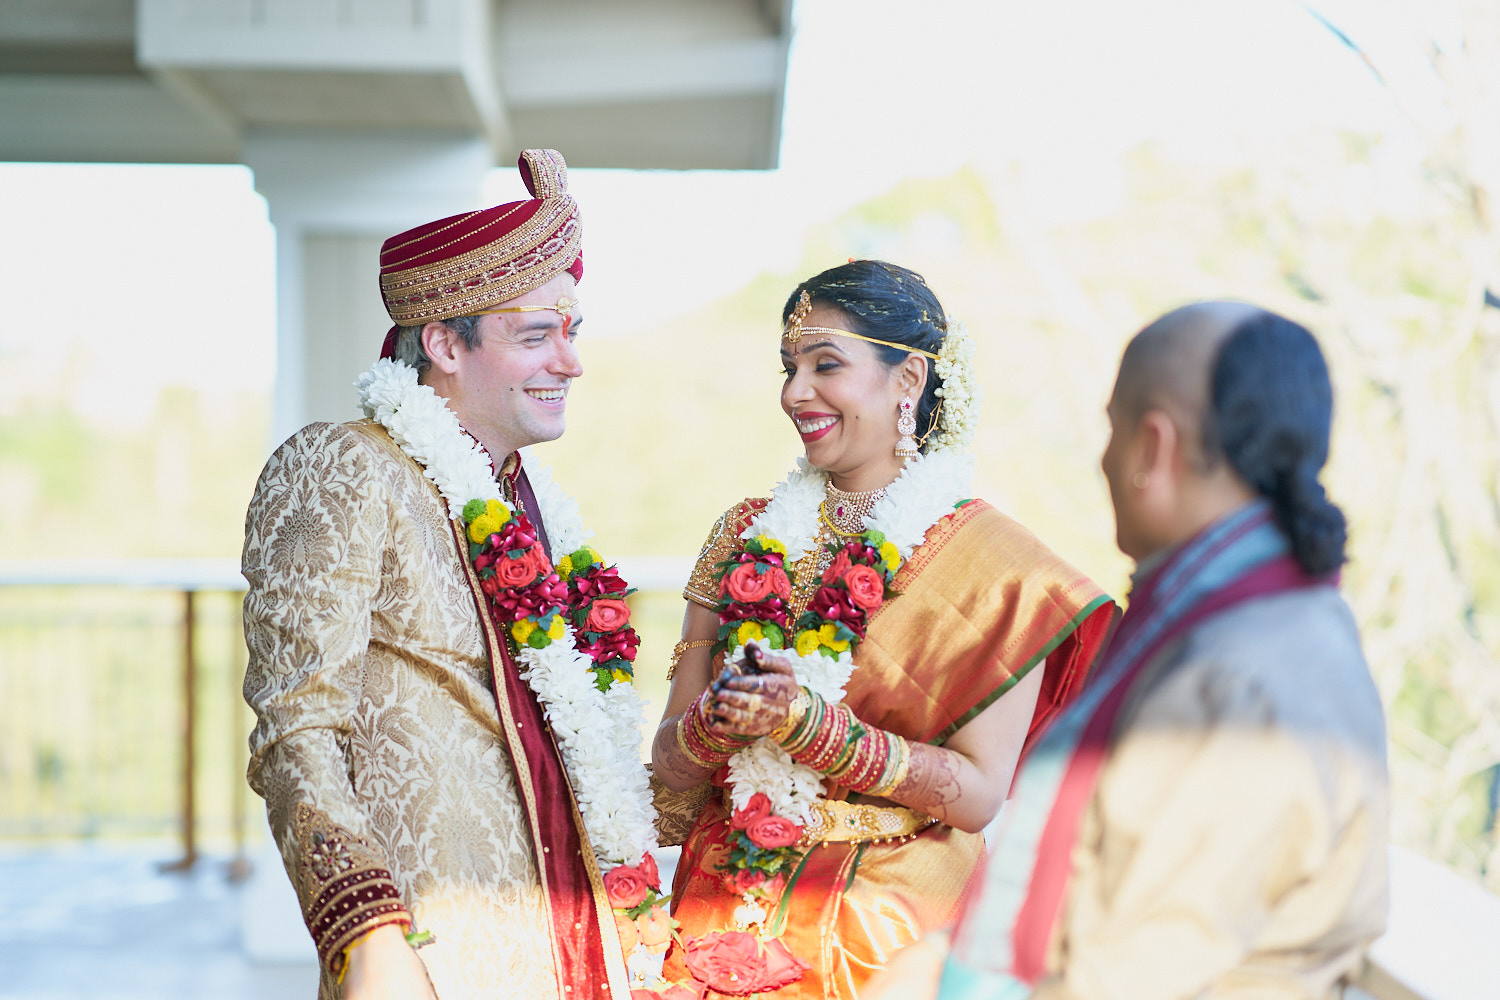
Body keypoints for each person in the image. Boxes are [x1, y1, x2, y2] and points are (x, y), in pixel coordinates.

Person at [871, 302, 1390, 1000]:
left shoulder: (1241, 672)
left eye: (1111, 430)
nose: (1104, 460)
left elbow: (1139, 974)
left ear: (1153, 448)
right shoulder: (1254, 616)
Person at [242, 150, 652, 1000]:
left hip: (567, 949)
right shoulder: (345, 465)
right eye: (537, 335)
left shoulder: (527, 511)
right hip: (435, 952)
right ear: (442, 345)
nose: (569, 362)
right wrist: (368, 938)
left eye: (572, 333)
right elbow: (297, 730)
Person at [648, 260, 1116, 999]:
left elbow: (979, 795)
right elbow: (670, 768)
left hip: (884, 933)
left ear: (909, 381)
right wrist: (720, 722)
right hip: (721, 910)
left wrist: (811, 728)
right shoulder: (743, 535)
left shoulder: (996, 566)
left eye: (825, 364)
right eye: (788, 367)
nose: (795, 392)